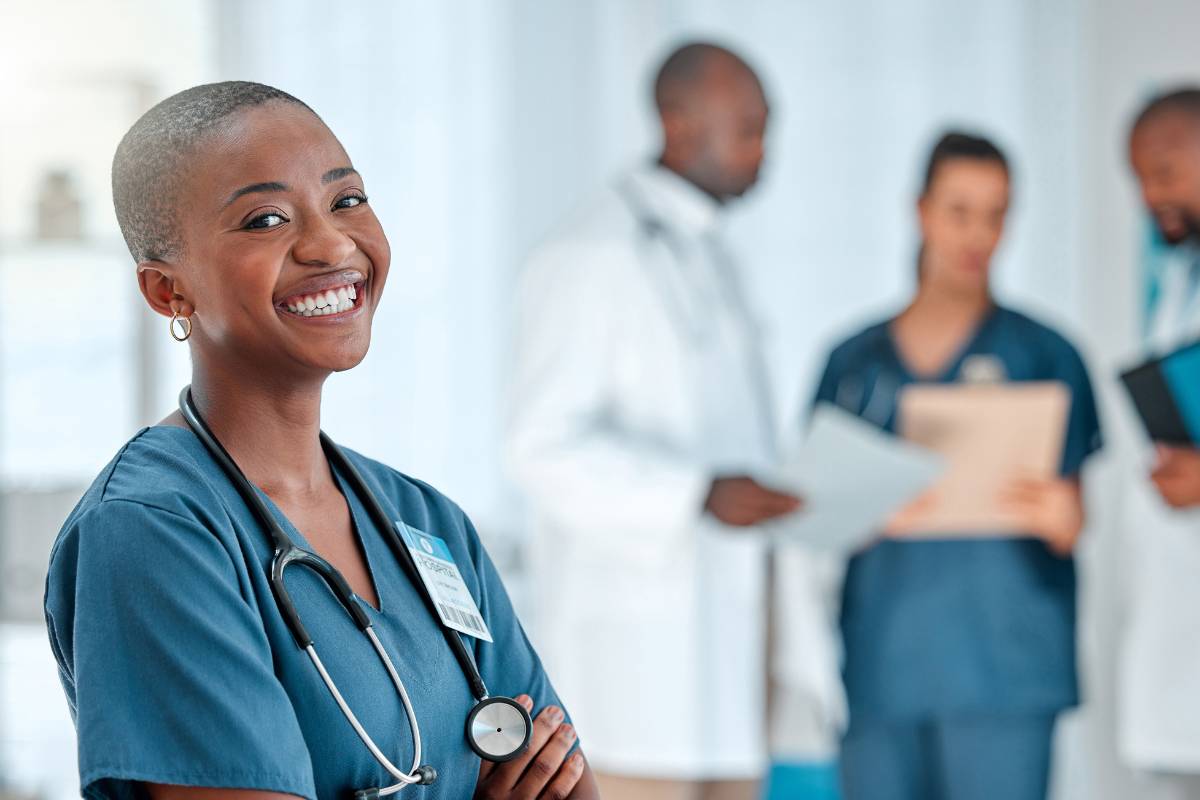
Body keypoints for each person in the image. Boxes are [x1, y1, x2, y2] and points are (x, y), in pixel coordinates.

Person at [43, 81, 599, 800]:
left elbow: (567, 781)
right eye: (265, 219)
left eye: (346, 201)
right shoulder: (153, 532)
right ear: (166, 291)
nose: (332, 243)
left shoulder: (425, 522)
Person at [505, 42, 801, 800]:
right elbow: (540, 448)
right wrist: (696, 494)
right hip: (632, 675)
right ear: (676, 121)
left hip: (728, 667)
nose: (763, 152)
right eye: (747, 128)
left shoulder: (711, 253)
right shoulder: (587, 252)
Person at [812, 131, 1102, 800]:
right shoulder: (854, 365)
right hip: (887, 667)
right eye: (960, 211)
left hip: (1006, 669)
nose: (979, 234)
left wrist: (1066, 518)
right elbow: (813, 518)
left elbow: (1074, 510)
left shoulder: (1048, 355)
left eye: (997, 214)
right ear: (921, 211)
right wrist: (866, 511)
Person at [1120, 87, 1200, 799]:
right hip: (1179, 638)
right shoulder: (1174, 284)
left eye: (1166, 170)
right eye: (1139, 177)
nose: (1150, 194)